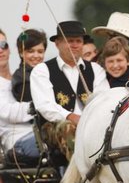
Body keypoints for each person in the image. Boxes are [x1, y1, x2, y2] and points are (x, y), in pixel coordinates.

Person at [30, 20, 110, 160]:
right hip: (55, 126)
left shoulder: (96, 70)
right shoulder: (42, 71)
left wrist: (88, 120)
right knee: (70, 129)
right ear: (58, 43)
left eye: (78, 41)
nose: (75, 45)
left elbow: (103, 101)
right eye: (70, 41)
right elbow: (45, 106)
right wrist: (71, 117)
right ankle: (79, 174)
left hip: (91, 123)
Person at [0, 29, 39, 164]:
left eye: (3, 45)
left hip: (40, 133)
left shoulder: (22, 78)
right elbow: (8, 112)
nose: (0, 50)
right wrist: (40, 105)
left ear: (9, 49)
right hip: (18, 142)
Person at [12, 28, 47, 102]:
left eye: (40, 52)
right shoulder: (21, 78)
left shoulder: (48, 72)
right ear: (21, 52)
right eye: (31, 51)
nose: (36, 55)